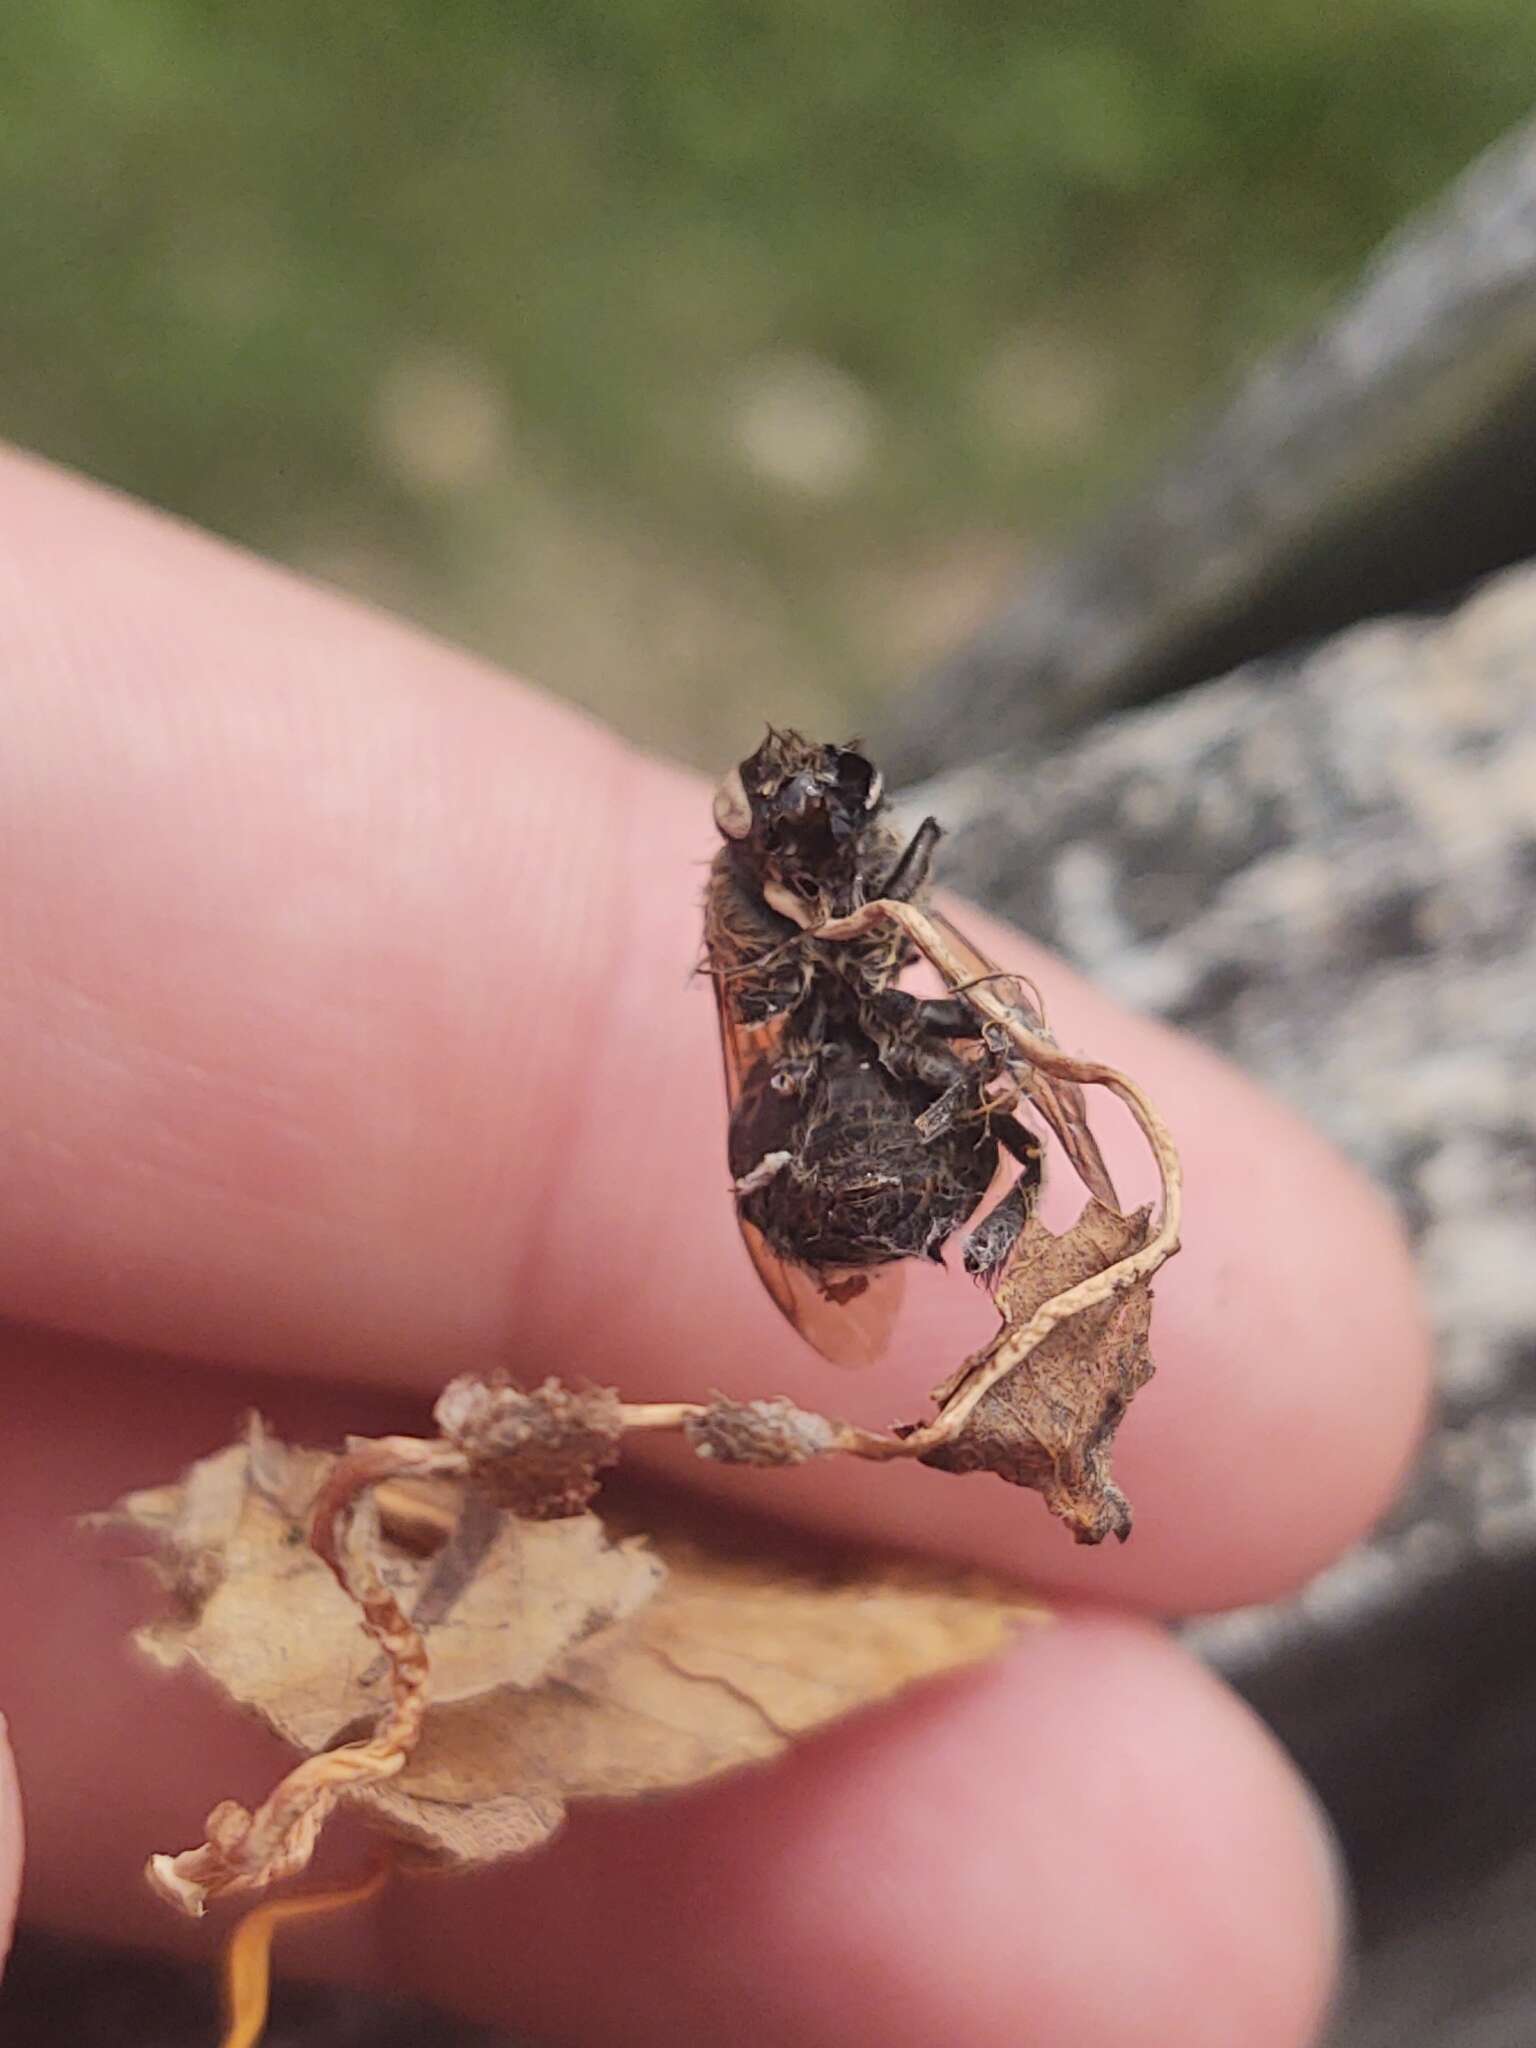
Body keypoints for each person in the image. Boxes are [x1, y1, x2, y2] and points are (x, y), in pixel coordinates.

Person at [0, 448, 1429, 2047]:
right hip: (837, 1169)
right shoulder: (786, 956)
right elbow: (828, 1000)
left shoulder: (833, 946)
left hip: (855, 1160)